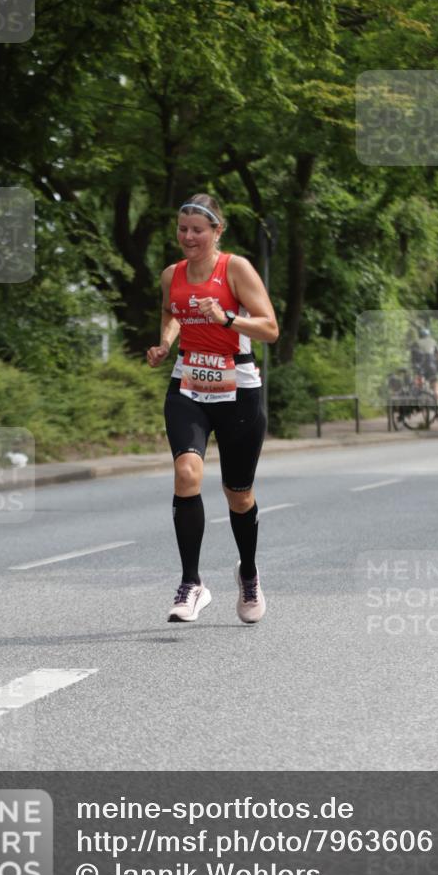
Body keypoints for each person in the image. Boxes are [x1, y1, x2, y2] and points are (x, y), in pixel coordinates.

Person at [146, 194, 279, 624]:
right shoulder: (172, 275)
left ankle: (249, 573)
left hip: (238, 389)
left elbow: (270, 328)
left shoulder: (235, 269)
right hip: (187, 385)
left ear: (216, 231)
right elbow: (172, 312)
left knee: (238, 496)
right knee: (187, 473)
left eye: (197, 230)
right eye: (182, 229)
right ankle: (191, 583)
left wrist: (226, 318)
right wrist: (166, 343)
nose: (188, 237)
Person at [410, 327, 438, 414]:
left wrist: (413, 366)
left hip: (420, 367)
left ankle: (418, 402)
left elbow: (413, 358)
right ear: (428, 335)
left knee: (419, 383)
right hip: (431, 366)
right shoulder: (433, 341)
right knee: (435, 385)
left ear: (420, 336)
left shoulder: (416, 343)